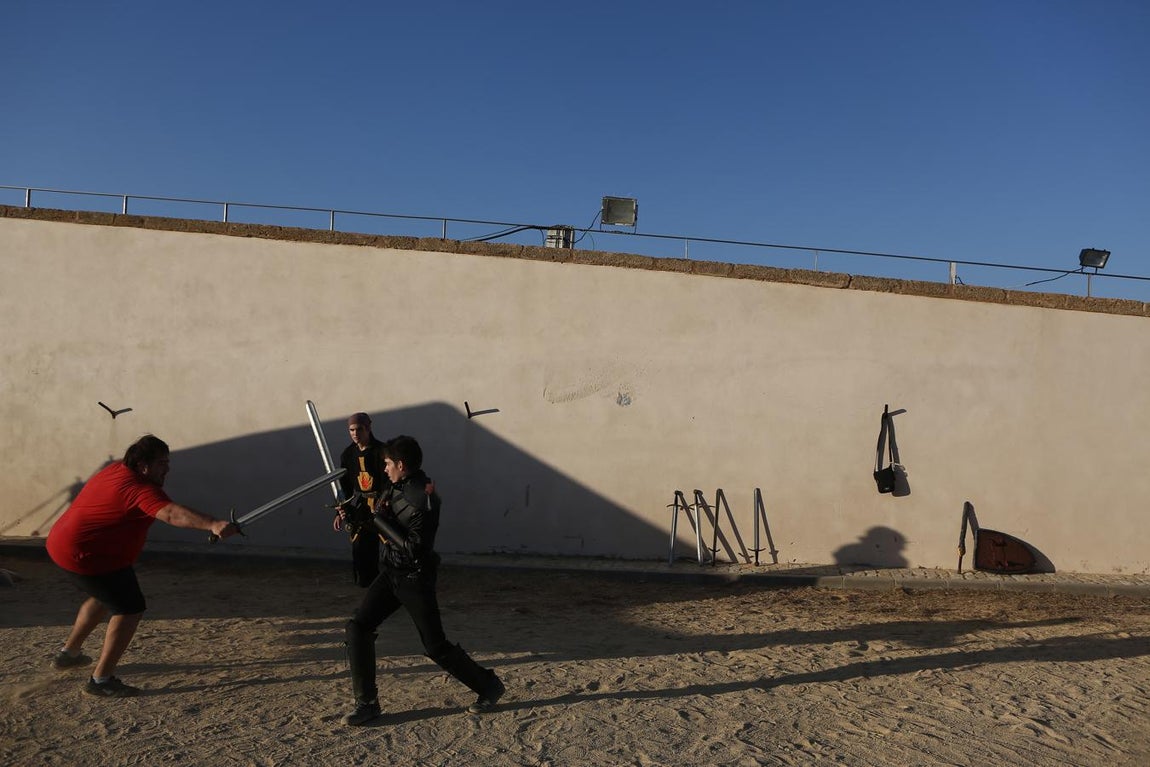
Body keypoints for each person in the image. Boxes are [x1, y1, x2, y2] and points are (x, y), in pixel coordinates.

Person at [45, 435, 237, 697]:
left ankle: (69, 654)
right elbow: (170, 513)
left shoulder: (115, 470)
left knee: (103, 596)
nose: (167, 469)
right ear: (143, 465)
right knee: (129, 608)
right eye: (161, 463)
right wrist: (213, 524)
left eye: (167, 462)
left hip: (64, 546)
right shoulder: (139, 490)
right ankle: (101, 681)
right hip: (89, 555)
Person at [341, 435, 504, 726]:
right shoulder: (395, 487)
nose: (385, 468)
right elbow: (379, 520)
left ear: (401, 465)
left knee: (435, 646)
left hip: (414, 579)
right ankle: (367, 704)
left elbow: (414, 547)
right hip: (391, 573)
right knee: (358, 628)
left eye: (389, 463)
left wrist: (374, 519)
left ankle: (489, 686)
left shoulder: (424, 498)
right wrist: (357, 517)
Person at [332, 412, 388, 587]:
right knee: (361, 547)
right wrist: (339, 511)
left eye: (358, 429)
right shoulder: (348, 455)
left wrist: (385, 502)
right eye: (351, 430)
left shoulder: (382, 451)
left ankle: (393, 587)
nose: (355, 433)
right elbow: (344, 486)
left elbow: (390, 481)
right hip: (363, 507)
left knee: (391, 547)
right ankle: (368, 585)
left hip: (384, 505)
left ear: (368, 428)